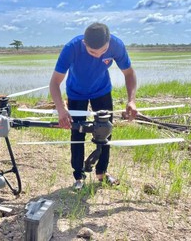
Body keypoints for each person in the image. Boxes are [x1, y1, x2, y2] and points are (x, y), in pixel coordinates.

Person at [49, 22, 137, 190]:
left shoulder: (117, 45)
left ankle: (102, 172)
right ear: (84, 43)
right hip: (76, 92)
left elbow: (129, 73)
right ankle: (78, 177)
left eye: (102, 52)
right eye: (91, 52)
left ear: (109, 42)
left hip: (101, 91)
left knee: (105, 131)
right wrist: (61, 109)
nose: (97, 55)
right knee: (77, 132)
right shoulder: (72, 48)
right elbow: (54, 82)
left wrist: (131, 100)